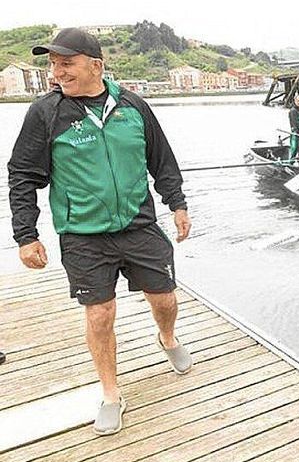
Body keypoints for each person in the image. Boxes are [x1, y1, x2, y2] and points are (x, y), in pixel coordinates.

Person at [7, 28, 193, 435]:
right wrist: (26, 234)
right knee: (100, 313)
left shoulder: (133, 106)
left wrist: (176, 203)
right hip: (83, 234)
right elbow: (22, 175)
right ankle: (111, 393)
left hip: (140, 225)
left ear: (96, 65)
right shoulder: (45, 113)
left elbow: (161, 159)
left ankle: (167, 337)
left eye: (66, 63)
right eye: (52, 64)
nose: (57, 72)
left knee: (165, 298)